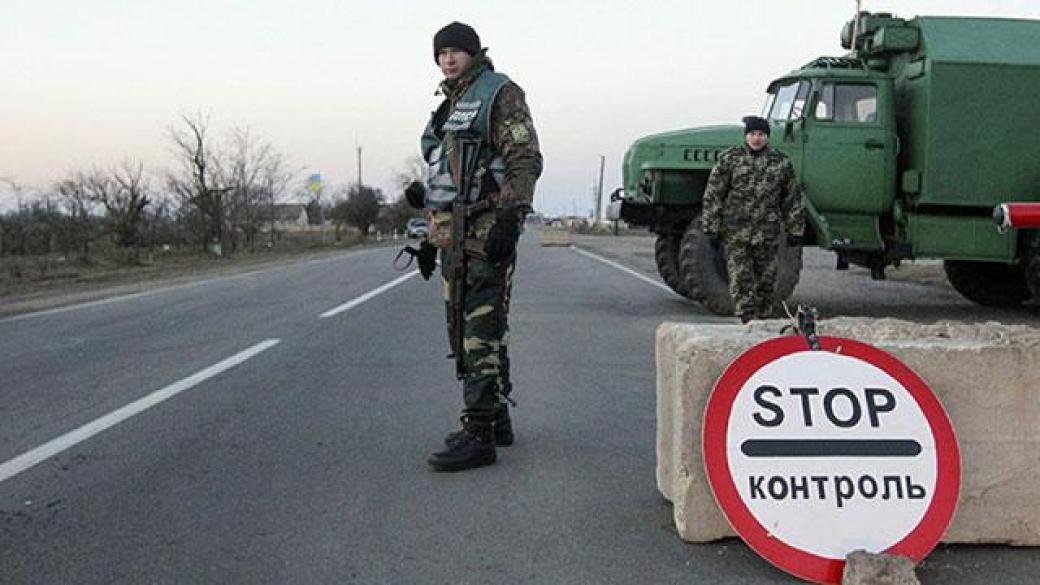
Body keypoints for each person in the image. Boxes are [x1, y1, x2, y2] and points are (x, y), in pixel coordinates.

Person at [405, 22, 542, 472]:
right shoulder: (448, 107)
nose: (448, 59)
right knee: (469, 324)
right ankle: (497, 418)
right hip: (455, 234)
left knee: (479, 328)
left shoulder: (498, 93)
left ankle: (479, 432)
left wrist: (510, 218)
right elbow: (445, 175)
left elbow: (524, 158)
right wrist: (430, 234)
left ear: (473, 53)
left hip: (486, 228)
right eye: (441, 53)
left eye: (455, 51)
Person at [701, 115, 805, 323]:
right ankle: (747, 317)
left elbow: (792, 198)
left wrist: (795, 230)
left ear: (767, 137)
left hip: (767, 232)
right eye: (752, 134)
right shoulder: (730, 159)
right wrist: (711, 227)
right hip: (736, 231)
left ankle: (763, 316)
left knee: (766, 278)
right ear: (746, 136)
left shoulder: (780, 163)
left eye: (761, 134)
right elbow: (713, 195)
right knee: (741, 277)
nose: (756, 138)